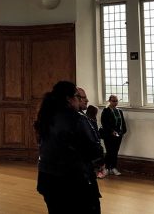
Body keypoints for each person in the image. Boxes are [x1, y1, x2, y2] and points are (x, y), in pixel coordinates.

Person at [35, 81, 103, 214]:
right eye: (78, 96)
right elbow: (95, 151)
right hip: (73, 180)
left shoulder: (46, 116)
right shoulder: (78, 119)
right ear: (69, 99)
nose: (82, 100)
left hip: (47, 179)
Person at [100, 95, 127, 176]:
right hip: (109, 135)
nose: (115, 103)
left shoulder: (119, 111)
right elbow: (104, 123)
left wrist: (123, 131)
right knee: (109, 151)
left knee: (115, 151)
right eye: (113, 101)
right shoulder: (106, 111)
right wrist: (111, 131)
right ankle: (106, 167)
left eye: (116, 101)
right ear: (109, 101)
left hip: (118, 135)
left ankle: (113, 167)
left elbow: (122, 122)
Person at [86, 105, 107, 179]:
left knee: (99, 156)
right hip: (93, 142)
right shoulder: (88, 120)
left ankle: (99, 171)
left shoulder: (92, 119)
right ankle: (99, 171)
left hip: (96, 141)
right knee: (97, 156)